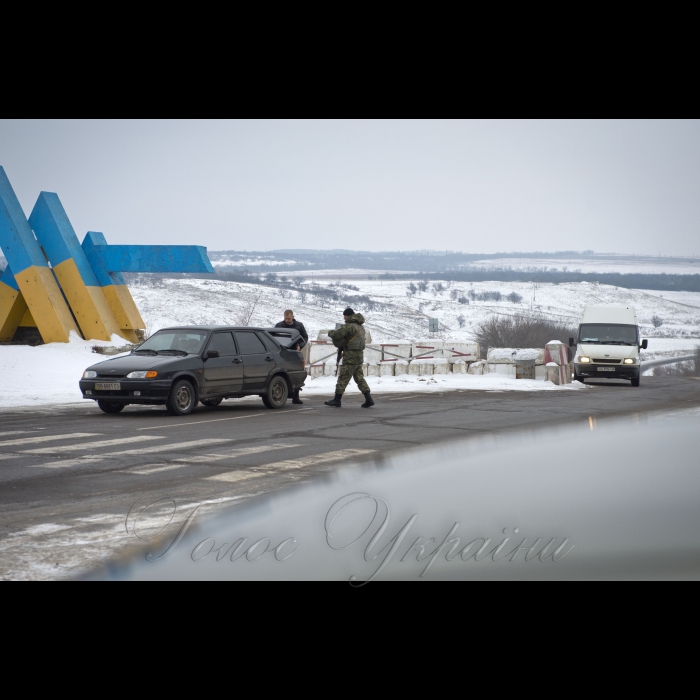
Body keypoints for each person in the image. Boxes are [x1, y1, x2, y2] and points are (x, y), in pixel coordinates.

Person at [324, 307, 374, 409]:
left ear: (349, 316)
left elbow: (338, 334)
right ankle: (369, 399)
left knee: (343, 378)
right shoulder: (361, 327)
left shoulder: (349, 326)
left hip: (350, 356)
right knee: (359, 378)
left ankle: (337, 400)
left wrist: (330, 332)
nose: (344, 318)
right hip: (359, 356)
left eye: (345, 316)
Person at [275, 310, 308, 404]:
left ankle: (296, 396)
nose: (287, 320)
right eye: (285, 318)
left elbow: (305, 337)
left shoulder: (299, 326)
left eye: (288, 318)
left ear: (293, 317)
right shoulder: (279, 326)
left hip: (295, 352)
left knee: (296, 373)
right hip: (282, 352)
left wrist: (300, 346)